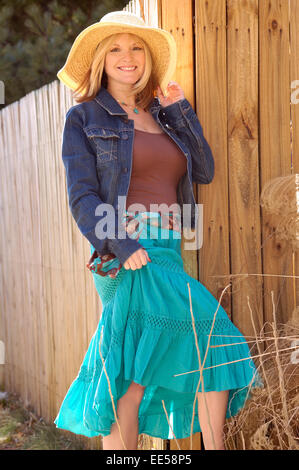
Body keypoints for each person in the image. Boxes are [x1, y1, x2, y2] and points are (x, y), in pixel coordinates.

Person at [53, 10, 263, 450]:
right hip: (127, 249)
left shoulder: (163, 116)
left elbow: (202, 170)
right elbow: (82, 197)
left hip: (168, 248)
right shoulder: (85, 118)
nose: (126, 57)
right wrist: (122, 243)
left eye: (135, 48)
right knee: (212, 340)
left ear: (147, 58)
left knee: (133, 371)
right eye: (115, 48)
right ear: (100, 60)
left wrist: (178, 110)